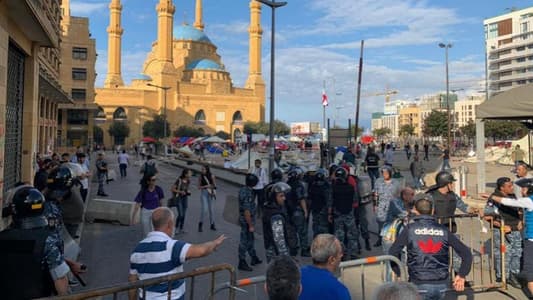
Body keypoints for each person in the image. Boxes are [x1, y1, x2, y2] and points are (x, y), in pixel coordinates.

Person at [0, 185, 85, 298]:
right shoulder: (47, 240)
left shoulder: (3, 237)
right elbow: (60, 280)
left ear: (15, 210)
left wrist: (68, 263)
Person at [129, 207, 226, 300]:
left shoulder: (137, 250)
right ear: (170, 224)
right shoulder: (172, 246)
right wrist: (214, 243)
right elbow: (201, 250)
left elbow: (132, 284)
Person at [389, 195, 472, 300]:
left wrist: (399, 273)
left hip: (418, 282)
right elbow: (466, 254)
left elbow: (393, 252)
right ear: (433, 210)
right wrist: (461, 275)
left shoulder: (410, 229)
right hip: (441, 285)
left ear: (416, 211)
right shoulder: (443, 230)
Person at [484, 178, 533, 295]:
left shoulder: (514, 198)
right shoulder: (494, 199)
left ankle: (514, 276)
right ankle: (502, 278)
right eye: (509, 186)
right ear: (502, 188)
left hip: (516, 231)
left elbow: (521, 210)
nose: (512, 188)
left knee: (518, 254)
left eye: (512, 186)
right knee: (504, 255)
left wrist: (521, 222)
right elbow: (487, 216)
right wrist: (501, 226)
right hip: (502, 231)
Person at [299, 234, 351, 300]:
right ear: (332, 260)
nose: (342, 255)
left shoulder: (296, 276)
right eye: (340, 253)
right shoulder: (339, 291)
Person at [329, 167, 359, 260]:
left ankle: (342, 255)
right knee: (352, 235)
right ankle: (353, 253)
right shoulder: (351, 188)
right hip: (349, 213)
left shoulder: (333, 188)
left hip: (338, 214)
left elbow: (330, 202)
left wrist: (329, 214)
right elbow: (355, 200)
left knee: (339, 236)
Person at [262, 182, 294, 262]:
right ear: (273, 198)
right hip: (276, 253)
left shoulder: (269, 208)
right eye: (281, 196)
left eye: (284, 195)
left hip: (271, 250)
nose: (284, 198)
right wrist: (286, 258)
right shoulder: (276, 216)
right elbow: (279, 240)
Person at [238, 173, 263, 271]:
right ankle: (242, 261)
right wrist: (250, 225)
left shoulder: (244, 190)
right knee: (244, 241)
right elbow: (247, 211)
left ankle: (253, 257)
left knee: (250, 239)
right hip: (247, 221)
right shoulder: (248, 193)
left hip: (246, 220)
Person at [373, 165, 401, 247]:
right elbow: (375, 194)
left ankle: (392, 240)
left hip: (392, 206)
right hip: (381, 206)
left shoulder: (396, 183)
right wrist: (375, 205)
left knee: (392, 224)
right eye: (383, 173)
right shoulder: (378, 182)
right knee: (381, 223)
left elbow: (399, 195)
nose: (384, 174)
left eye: (386, 173)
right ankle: (380, 239)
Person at [286, 167, 310, 257]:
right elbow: (301, 199)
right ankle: (304, 250)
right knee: (302, 232)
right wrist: (305, 211)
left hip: (288, 211)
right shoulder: (299, 185)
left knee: (292, 232)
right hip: (298, 211)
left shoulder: (286, 185)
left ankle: (293, 249)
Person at [132, 173, 165, 237]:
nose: (154, 181)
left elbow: (161, 202)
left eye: (155, 180)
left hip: (155, 211)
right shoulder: (143, 191)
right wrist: (133, 217)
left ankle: (153, 243)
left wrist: (162, 213)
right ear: (148, 182)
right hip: (145, 211)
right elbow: (137, 204)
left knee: (154, 230)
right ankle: (147, 243)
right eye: (153, 180)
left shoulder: (158, 189)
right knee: (146, 230)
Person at [308, 169, 331, 237]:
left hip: (315, 210)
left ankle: (317, 243)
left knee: (316, 228)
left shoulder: (313, 186)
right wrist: (329, 212)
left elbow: (309, 199)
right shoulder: (326, 186)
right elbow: (328, 200)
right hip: (323, 210)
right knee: (324, 228)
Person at [170, 168, 192, 234]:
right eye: (189, 173)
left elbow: (187, 188)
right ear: (185, 174)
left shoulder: (188, 181)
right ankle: (176, 227)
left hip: (185, 199)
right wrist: (180, 191)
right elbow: (172, 189)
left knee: (184, 214)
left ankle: (181, 228)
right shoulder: (179, 180)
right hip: (179, 198)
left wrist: (188, 191)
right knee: (181, 214)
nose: (191, 174)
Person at [198, 165, 217, 232]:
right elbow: (199, 187)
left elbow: (215, 186)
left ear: (207, 170)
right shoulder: (200, 176)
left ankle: (212, 224)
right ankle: (200, 224)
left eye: (203, 169)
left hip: (210, 194)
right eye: (202, 169)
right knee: (204, 209)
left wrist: (212, 189)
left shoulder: (212, 176)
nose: (202, 170)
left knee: (211, 210)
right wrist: (206, 186)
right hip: (204, 193)